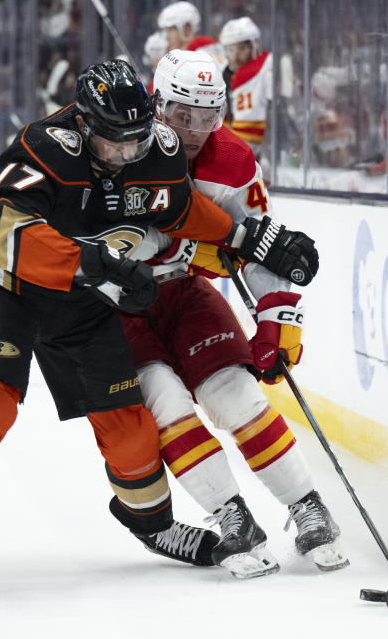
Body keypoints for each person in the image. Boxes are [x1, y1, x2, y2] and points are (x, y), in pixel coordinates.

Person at [0, 58, 319, 606]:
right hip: (0, 287)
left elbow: (175, 205)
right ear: (84, 122)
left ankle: (151, 524)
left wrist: (250, 237)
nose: (129, 153)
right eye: (115, 142)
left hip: (80, 302)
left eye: (137, 138)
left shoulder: (158, 147)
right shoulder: (45, 145)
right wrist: (85, 262)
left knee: (131, 430)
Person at [117, 50, 346, 578]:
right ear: (156, 104)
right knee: (166, 402)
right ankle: (232, 517)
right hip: (119, 304)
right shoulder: (118, 144)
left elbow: (263, 246)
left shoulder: (235, 162)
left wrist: (277, 316)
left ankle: (308, 505)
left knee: (235, 392)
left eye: (209, 115)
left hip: (185, 294)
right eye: (181, 115)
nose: (196, 131)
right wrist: (186, 248)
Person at [219, 17, 272, 159]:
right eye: (230, 50)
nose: (235, 57)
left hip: (265, 150)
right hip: (240, 151)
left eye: (241, 48)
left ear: (254, 47)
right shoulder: (224, 75)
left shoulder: (267, 70)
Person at [157, 1, 224, 65]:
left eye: (171, 30)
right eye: (166, 31)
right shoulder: (174, 54)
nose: (167, 37)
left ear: (187, 28)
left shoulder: (204, 48)